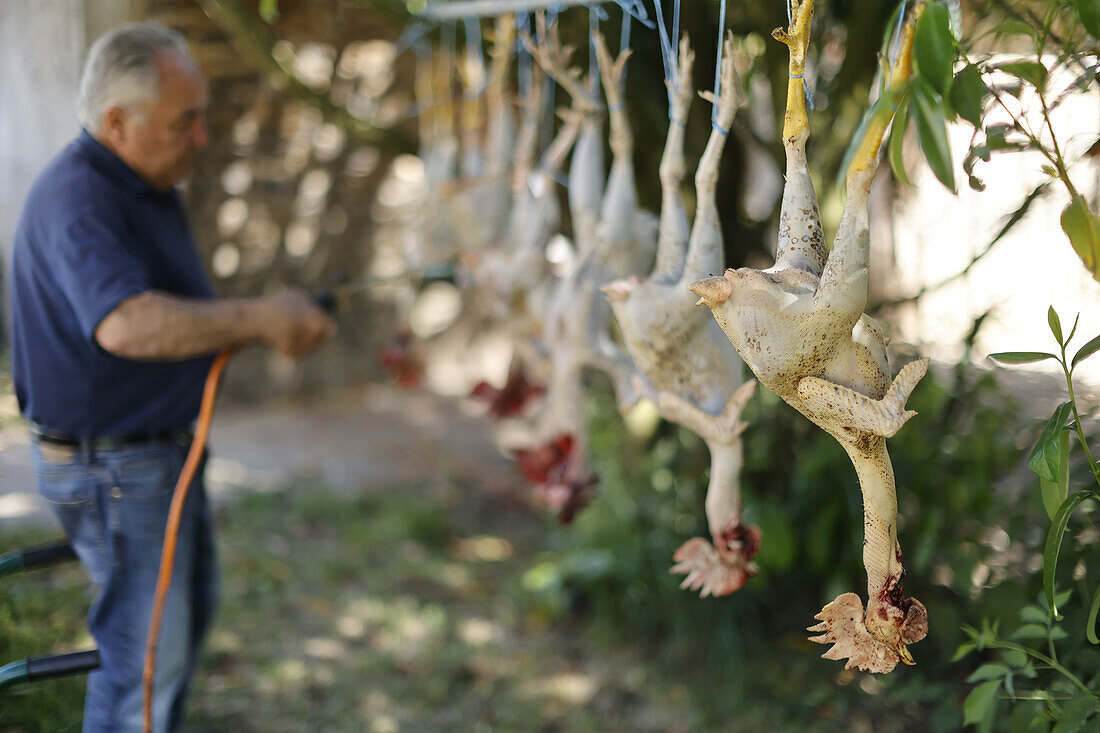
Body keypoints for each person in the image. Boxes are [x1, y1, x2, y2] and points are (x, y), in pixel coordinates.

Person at [8, 22, 335, 732]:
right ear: (117, 122)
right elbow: (125, 324)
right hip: (116, 468)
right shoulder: (81, 199)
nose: (201, 138)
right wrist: (259, 317)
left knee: (171, 649)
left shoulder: (141, 185)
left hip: (152, 456)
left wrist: (268, 319)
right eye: (185, 121)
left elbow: (172, 321)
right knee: (144, 669)